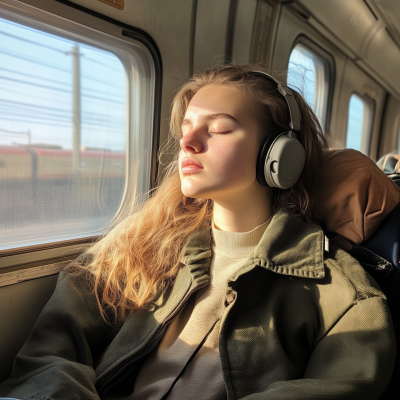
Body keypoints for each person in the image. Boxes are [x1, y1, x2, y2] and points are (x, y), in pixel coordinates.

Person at [0, 65, 395, 400]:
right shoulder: (144, 245)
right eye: (187, 126)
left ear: (279, 155)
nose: (187, 143)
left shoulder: (345, 298)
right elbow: (50, 353)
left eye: (219, 129)